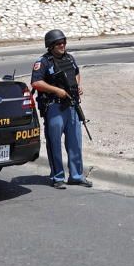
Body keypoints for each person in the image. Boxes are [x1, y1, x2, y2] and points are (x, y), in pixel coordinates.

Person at [31, 29, 92, 189]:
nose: (62, 45)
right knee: (54, 143)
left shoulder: (69, 58)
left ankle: (76, 176)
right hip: (54, 107)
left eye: (63, 42)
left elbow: (77, 73)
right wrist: (57, 90)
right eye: (58, 43)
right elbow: (36, 83)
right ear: (50, 46)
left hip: (72, 106)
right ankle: (57, 177)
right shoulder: (43, 62)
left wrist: (77, 86)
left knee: (75, 143)